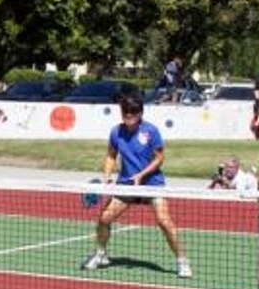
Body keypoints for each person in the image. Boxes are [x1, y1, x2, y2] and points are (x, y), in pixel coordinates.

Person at [82, 93, 192, 278]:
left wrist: (142, 175)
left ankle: (182, 261)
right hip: (126, 184)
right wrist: (107, 177)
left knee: (164, 222)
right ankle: (101, 254)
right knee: (104, 219)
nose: (129, 116)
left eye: (133, 112)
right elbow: (111, 155)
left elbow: (160, 158)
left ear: (140, 113)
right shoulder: (116, 132)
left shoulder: (151, 131)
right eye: (126, 112)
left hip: (152, 184)